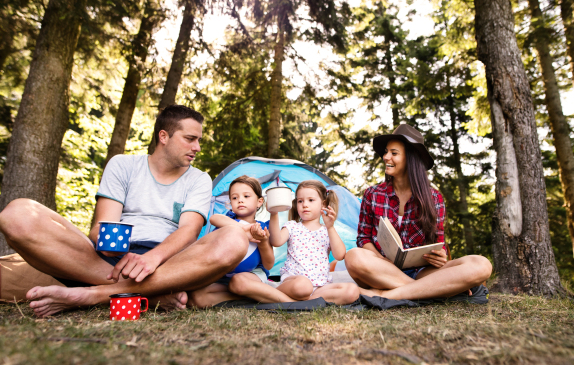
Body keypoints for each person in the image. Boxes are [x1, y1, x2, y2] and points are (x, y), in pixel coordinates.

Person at [0, 105, 251, 317]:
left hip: (169, 264)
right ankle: (152, 296)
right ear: (164, 136)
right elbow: (102, 226)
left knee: (234, 237)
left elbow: (189, 230)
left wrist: (152, 259)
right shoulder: (123, 165)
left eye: (199, 140)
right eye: (190, 139)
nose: (197, 147)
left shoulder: (199, 179)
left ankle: (91, 295)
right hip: (110, 262)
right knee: (17, 214)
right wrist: (105, 242)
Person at [344, 124, 492, 300]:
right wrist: (382, 260)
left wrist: (440, 256)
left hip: (422, 272)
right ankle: (433, 291)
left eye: (393, 153)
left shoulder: (434, 198)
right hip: (382, 271)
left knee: (481, 265)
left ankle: (384, 295)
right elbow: (364, 238)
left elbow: (438, 243)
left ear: (410, 158)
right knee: (353, 256)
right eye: (385, 152)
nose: (385, 157)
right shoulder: (372, 194)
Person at [230, 180, 360, 305]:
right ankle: (281, 294)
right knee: (303, 286)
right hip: (294, 282)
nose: (304, 204)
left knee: (352, 291)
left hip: (320, 285)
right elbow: (276, 241)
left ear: (324, 204)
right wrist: (274, 214)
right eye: (300, 201)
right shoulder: (292, 226)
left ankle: (306, 301)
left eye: (311, 200)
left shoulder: (327, 230)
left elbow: (339, 255)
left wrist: (330, 227)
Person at [188, 175, 276, 308]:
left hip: (253, 275)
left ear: (259, 202)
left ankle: (288, 302)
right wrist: (244, 228)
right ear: (229, 203)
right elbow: (214, 218)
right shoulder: (228, 221)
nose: (240, 200)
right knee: (197, 298)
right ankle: (251, 297)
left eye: (246, 196)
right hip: (225, 279)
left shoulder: (263, 227)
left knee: (240, 282)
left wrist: (263, 241)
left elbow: (269, 264)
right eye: (235, 198)